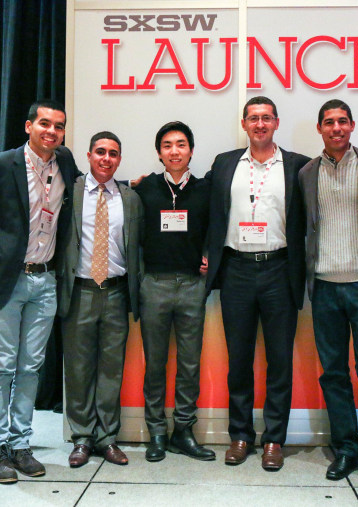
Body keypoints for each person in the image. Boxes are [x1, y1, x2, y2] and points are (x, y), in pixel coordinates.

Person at [0, 99, 77, 483]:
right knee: (1, 366)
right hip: (6, 280)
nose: (52, 131)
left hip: (45, 281)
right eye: (45, 124)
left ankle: (20, 443)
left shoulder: (65, 163)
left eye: (59, 126)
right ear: (28, 126)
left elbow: (88, 188)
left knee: (30, 367)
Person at [205, 96, 310, 470]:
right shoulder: (225, 163)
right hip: (236, 270)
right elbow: (207, 208)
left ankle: (274, 440)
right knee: (240, 359)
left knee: (280, 359)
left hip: (280, 270)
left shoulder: (298, 166)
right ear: (244, 124)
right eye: (253, 118)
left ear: (277, 123)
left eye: (266, 118)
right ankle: (240, 435)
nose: (260, 124)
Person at [297, 100, 358, 484]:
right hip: (325, 288)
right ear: (319, 129)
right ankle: (346, 447)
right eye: (329, 122)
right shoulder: (306, 173)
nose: (336, 128)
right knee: (333, 373)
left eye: (342, 121)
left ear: (352, 126)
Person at [57, 132, 144, 468]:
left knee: (111, 369)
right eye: (101, 152)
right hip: (79, 290)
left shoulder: (130, 197)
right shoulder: (71, 191)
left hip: (117, 292)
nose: (106, 158)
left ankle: (107, 438)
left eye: (113, 154)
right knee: (78, 369)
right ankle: (81, 438)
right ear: (89, 155)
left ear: (119, 159)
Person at [133, 121, 214, 462]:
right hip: (154, 285)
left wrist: (209, 254)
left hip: (192, 287)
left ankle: (183, 430)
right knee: (155, 364)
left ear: (191, 150)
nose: (175, 151)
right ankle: (156, 433)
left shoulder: (205, 189)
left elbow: (218, 225)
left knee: (190, 364)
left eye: (181, 144)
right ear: (159, 153)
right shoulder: (144, 188)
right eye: (167, 145)